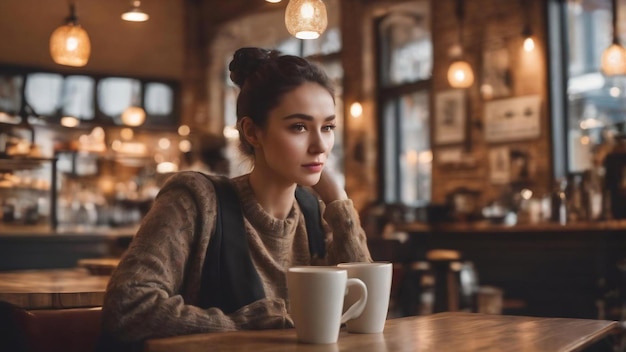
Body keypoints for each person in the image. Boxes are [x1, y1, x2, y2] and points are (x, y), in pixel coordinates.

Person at [99, 47, 372, 346]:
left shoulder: (316, 213)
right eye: (299, 127)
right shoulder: (194, 200)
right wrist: (241, 325)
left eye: (328, 127)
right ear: (252, 132)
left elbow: (364, 313)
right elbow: (127, 308)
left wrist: (338, 202)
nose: (320, 145)